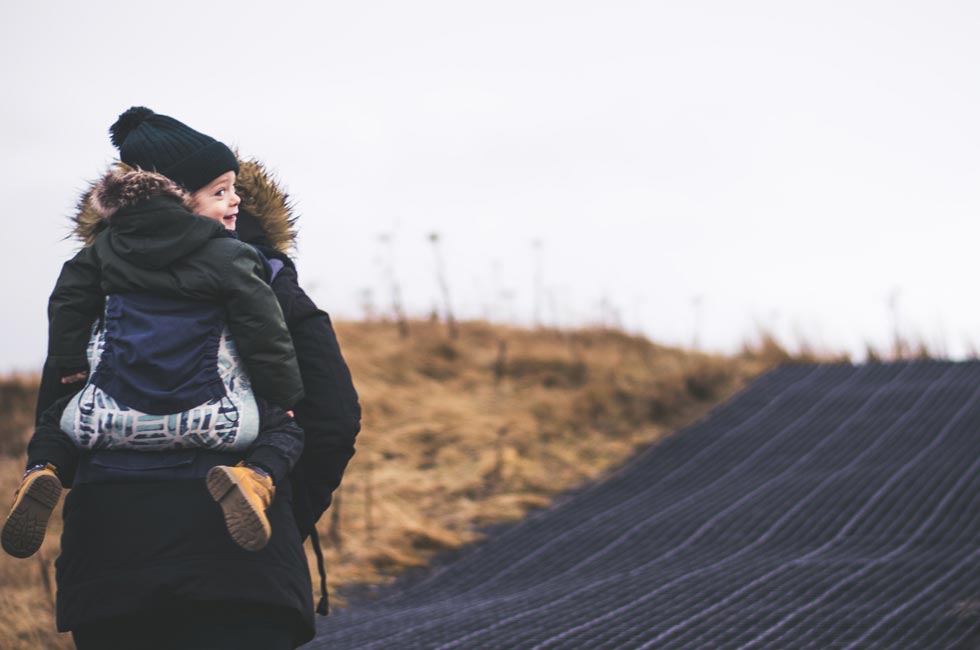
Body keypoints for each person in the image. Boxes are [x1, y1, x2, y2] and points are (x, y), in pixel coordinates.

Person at [4, 108, 352, 648]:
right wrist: (284, 513)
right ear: (180, 194)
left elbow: (60, 394)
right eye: (220, 190)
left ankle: (41, 471)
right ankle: (257, 481)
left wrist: (54, 455)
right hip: (240, 566)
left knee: (57, 429)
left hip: (109, 561)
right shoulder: (263, 275)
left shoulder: (96, 271)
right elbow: (331, 416)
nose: (232, 199)